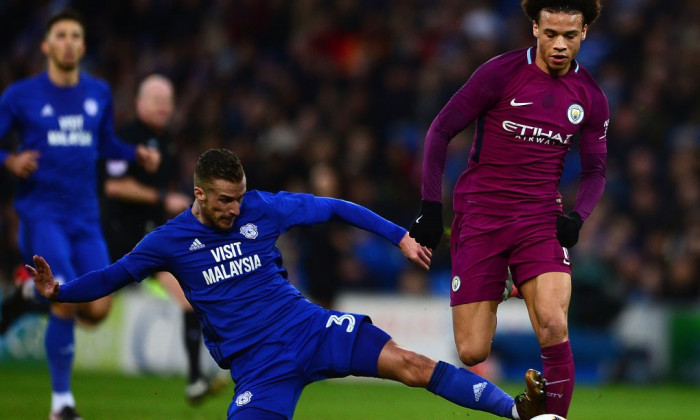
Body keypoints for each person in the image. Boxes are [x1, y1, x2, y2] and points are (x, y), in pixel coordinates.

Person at [29, 148, 547, 420]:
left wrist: (399, 238)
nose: (236, 209)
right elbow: (114, 275)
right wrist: (60, 292)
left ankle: (516, 412)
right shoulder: (168, 242)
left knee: (412, 364)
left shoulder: (263, 208)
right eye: (225, 201)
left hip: (311, 328)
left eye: (240, 198)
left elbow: (335, 207)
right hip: (260, 366)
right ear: (199, 194)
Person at [408, 1, 608, 417]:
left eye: (569, 36)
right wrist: (430, 207)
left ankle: (551, 416)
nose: (559, 44)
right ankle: (509, 283)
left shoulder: (590, 97)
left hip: (539, 218)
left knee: (553, 323)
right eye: (550, 33)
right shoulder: (500, 73)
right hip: (481, 216)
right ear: (535, 27)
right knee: (471, 349)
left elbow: (595, 173)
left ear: (584, 33)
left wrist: (578, 217)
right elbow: (440, 131)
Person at [0, 9, 160, 420]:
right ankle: (62, 405)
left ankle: (25, 296)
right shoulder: (20, 96)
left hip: (85, 218)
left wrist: (135, 153)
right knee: (65, 294)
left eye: (75, 35)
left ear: (83, 46)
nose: (68, 42)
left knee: (98, 308)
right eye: (61, 35)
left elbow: (104, 144)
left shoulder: (99, 93)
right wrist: (9, 160)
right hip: (44, 212)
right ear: (46, 45)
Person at [100, 74, 222, 404]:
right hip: (115, 236)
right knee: (93, 309)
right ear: (140, 103)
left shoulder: (167, 141)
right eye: (156, 101)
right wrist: (160, 198)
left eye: (168, 102)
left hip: (150, 240)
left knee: (190, 298)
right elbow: (112, 186)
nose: (163, 107)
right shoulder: (125, 138)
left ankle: (195, 378)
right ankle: (30, 297)